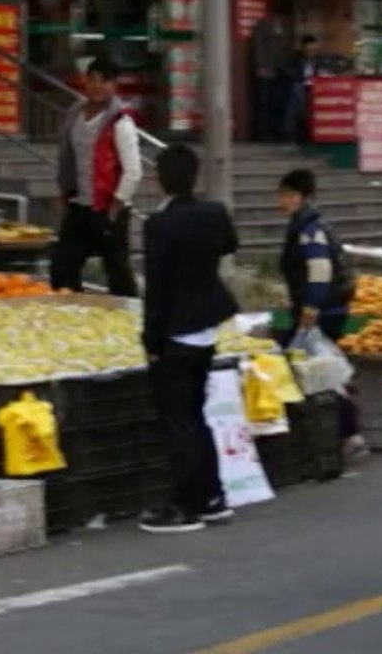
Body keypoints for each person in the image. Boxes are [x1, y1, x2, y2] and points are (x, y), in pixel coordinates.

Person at [140, 144, 239, 533]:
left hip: (176, 333)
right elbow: (230, 245)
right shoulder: (214, 214)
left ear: (160, 179)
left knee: (178, 421)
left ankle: (187, 505)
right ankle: (212, 496)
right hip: (208, 327)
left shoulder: (160, 225)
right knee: (197, 416)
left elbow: (157, 289)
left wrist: (150, 341)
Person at [277, 169, 367, 459]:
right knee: (326, 370)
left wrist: (310, 308)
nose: (281, 201)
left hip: (322, 311)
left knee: (323, 373)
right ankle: (343, 432)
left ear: (299, 196)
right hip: (325, 307)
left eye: (286, 195)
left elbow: (320, 270)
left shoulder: (309, 228)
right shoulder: (306, 224)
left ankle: (348, 433)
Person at [51, 58, 141, 296]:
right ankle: (74, 315)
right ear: (85, 81)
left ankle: (128, 321)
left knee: (118, 273)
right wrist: (63, 194)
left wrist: (115, 208)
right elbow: (66, 158)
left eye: (104, 81)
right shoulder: (74, 115)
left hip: (109, 208)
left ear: (114, 85)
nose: (97, 86)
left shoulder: (121, 121)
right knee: (62, 268)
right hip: (79, 205)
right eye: (92, 80)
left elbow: (133, 170)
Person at [249, 15, 290, 142]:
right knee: (264, 103)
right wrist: (261, 66)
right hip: (265, 71)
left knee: (276, 103)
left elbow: (282, 50)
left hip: (279, 71)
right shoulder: (263, 25)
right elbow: (258, 46)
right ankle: (263, 133)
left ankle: (275, 131)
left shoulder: (283, 28)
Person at [284, 35, 330, 144]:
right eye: (308, 49)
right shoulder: (295, 58)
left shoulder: (320, 59)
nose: (311, 52)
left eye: (313, 49)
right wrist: (301, 78)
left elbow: (325, 71)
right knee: (296, 91)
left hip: (316, 87)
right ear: (303, 48)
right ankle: (293, 130)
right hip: (300, 84)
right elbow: (288, 71)